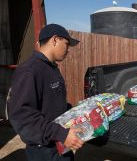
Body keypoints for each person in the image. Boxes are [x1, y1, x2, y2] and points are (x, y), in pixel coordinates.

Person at [7, 24, 84, 161]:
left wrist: (74, 111)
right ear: (55, 40)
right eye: (66, 44)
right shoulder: (30, 71)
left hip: (59, 145)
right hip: (44, 151)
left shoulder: (51, 68)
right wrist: (60, 134)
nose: (68, 50)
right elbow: (22, 116)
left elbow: (50, 104)